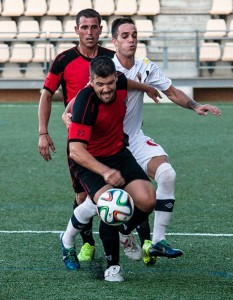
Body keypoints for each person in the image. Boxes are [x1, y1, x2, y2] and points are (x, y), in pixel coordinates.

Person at [62, 17, 221, 265]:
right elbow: (82, 98)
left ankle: (156, 241)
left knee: (166, 175)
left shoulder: (145, 66)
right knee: (95, 203)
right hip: (103, 146)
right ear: (114, 41)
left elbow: (171, 91)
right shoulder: (105, 68)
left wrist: (195, 105)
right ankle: (74, 241)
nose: (131, 40)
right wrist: (66, 114)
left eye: (134, 35)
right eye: (125, 36)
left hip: (132, 140)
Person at [38, 9, 159, 262]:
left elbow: (125, 80)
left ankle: (131, 236)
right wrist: (45, 130)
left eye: (94, 27)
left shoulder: (109, 59)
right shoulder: (64, 61)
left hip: (114, 145)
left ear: (101, 30)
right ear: (77, 30)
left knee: (116, 200)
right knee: (86, 197)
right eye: (85, 28)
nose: (90, 32)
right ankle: (84, 243)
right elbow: (48, 94)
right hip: (82, 141)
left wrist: (148, 87)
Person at [60, 56, 156, 282]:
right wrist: (104, 171)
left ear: (115, 78)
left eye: (110, 83)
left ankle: (125, 232)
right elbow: (76, 152)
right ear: (91, 81)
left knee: (148, 199)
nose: (106, 89)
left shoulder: (120, 81)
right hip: (88, 160)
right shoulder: (85, 102)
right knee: (109, 204)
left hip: (118, 154)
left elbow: (128, 83)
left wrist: (147, 88)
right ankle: (112, 266)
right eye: (100, 84)